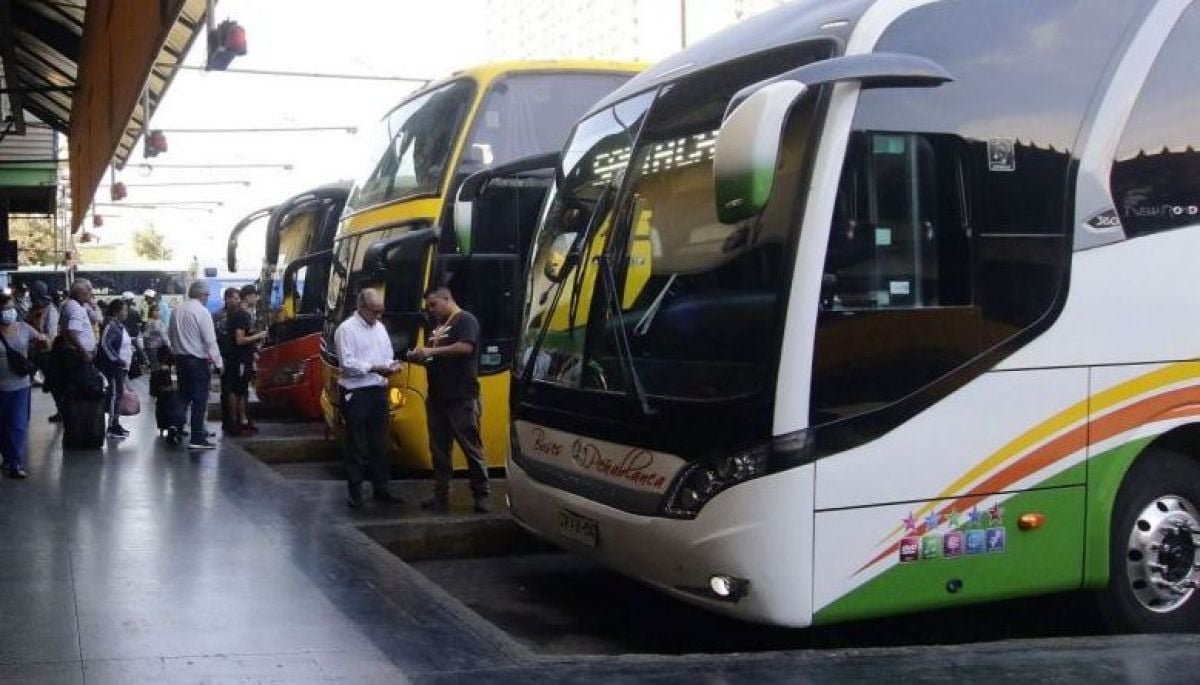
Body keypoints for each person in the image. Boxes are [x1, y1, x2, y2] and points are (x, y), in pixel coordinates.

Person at [406, 286, 490, 513]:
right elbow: (437, 359)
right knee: (439, 450)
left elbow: (465, 347)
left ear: (447, 299)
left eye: (434, 304)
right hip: (437, 398)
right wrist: (419, 358)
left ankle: (481, 494)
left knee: (471, 447)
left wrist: (431, 352)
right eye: (429, 306)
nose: (431, 310)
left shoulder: (465, 320)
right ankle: (440, 496)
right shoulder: (437, 328)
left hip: (461, 397)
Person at [334, 288, 403, 509]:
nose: (378, 316)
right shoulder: (346, 329)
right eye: (374, 311)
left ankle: (381, 488)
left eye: (380, 311)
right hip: (356, 391)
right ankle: (355, 492)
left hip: (378, 389)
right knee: (356, 444)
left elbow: (387, 355)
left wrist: (392, 366)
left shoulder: (380, 328)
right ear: (361, 307)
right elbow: (347, 363)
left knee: (379, 442)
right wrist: (374, 367)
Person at [168, 280, 223, 450]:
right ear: (203, 295)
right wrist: (219, 362)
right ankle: (197, 437)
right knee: (200, 399)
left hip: (180, 359)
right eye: (207, 295)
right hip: (197, 361)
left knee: (183, 395)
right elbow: (210, 340)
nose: (207, 298)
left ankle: (175, 426)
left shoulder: (176, 310)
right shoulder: (202, 312)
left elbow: (170, 334)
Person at [0, 293, 50, 478]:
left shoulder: (23, 328)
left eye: (11, 308)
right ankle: (8, 457)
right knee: (3, 425)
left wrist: (43, 340)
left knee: (17, 423)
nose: (9, 312)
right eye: (5, 309)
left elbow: (44, 341)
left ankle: (15, 463)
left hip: (20, 385)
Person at [226, 284, 267, 435]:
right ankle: (235, 421)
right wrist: (259, 336)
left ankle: (243, 419)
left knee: (242, 390)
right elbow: (240, 340)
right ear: (248, 297)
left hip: (243, 358)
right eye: (255, 296)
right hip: (239, 359)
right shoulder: (241, 315)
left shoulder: (241, 314)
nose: (256, 299)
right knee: (237, 390)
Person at [97, 299, 133, 439]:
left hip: (121, 367)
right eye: (124, 310)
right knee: (114, 395)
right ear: (116, 311)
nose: (126, 312)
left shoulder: (119, 325)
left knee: (118, 394)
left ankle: (116, 423)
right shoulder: (111, 325)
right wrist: (116, 359)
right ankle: (112, 426)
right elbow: (105, 343)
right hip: (114, 367)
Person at [214, 287, 241, 433]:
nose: (237, 301)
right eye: (235, 298)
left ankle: (235, 420)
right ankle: (228, 421)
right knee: (226, 389)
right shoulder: (218, 316)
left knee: (236, 389)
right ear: (227, 298)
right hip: (224, 356)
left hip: (237, 356)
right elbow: (214, 337)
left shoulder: (239, 314)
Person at [143, 300, 170, 372]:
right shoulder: (151, 322)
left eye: (158, 310)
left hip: (159, 347)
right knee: (155, 367)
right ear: (151, 312)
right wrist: (168, 344)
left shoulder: (158, 321)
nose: (158, 312)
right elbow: (146, 336)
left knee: (156, 367)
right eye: (155, 310)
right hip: (154, 348)